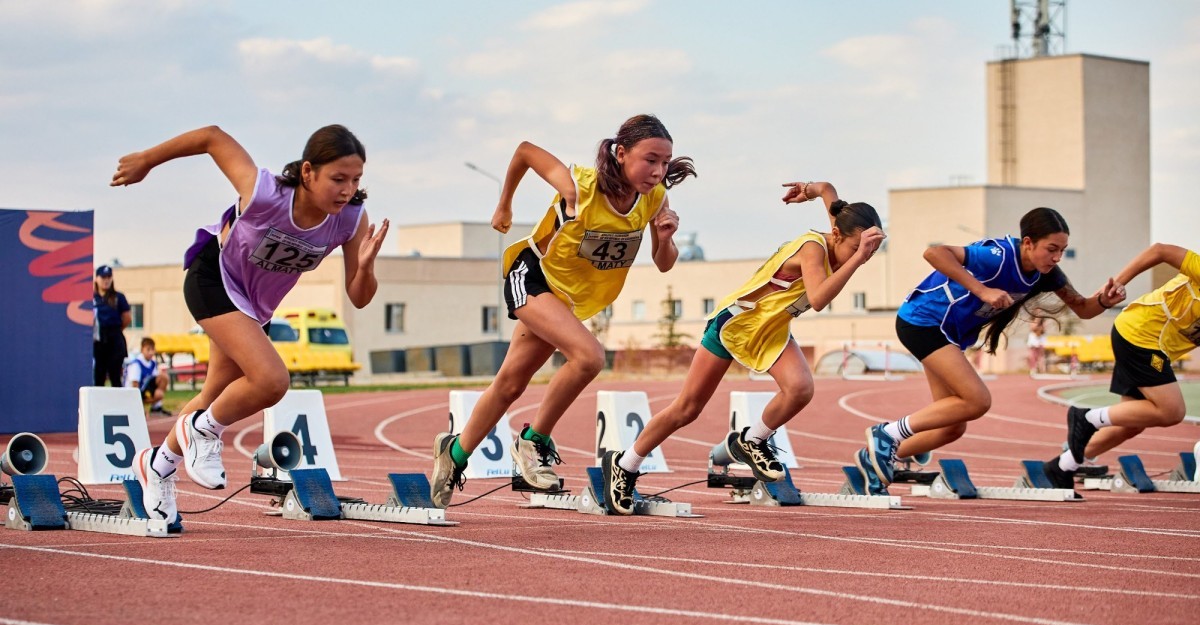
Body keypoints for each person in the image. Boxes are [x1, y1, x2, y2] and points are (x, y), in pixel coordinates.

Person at [111, 124, 390, 522]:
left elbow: (359, 297)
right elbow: (211, 137)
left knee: (214, 396)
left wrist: (365, 266)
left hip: (255, 308)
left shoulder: (349, 219)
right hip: (214, 279)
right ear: (308, 172)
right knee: (271, 381)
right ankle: (203, 431)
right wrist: (147, 160)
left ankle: (157, 466)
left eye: (356, 180)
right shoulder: (265, 192)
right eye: (338, 179)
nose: (347, 190)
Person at [429, 114, 696, 508]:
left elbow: (664, 263)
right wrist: (504, 205)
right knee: (589, 357)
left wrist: (666, 238)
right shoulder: (580, 187)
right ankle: (533, 441)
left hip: (567, 299)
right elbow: (524, 151)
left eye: (665, 162)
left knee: (510, 384)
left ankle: (452, 454)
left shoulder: (655, 199)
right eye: (650, 160)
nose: (658, 172)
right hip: (533, 277)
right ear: (621, 153)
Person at [601, 181, 886, 514]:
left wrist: (808, 190)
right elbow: (820, 298)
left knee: (800, 389)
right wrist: (858, 258)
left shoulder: (843, 228)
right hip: (736, 324)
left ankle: (751, 440)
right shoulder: (814, 249)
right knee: (687, 409)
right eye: (858, 249)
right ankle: (625, 464)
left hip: (770, 329)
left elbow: (827, 189)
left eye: (870, 251)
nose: (863, 256)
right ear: (836, 235)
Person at [855, 207, 1125, 495]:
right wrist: (982, 290)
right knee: (977, 400)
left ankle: (875, 457)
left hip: (947, 333)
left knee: (951, 428)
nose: (1058, 257)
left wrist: (1105, 301)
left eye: (1063, 250)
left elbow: (1083, 309)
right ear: (1028, 243)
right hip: (923, 321)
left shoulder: (1047, 275)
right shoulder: (998, 256)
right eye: (1052, 249)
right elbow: (934, 253)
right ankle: (887, 434)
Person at [1044, 243, 1197, 488]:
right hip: (1141, 334)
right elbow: (1159, 251)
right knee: (1172, 412)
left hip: (1153, 345)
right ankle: (1087, 418)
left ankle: (1061, 466)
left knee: (1131, 424)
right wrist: (1117, 283)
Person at [92, 265, 131, 386]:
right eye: (103, 277)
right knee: (99, 375)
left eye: (109, 277)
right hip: (98, 339)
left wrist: (117, 330)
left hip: (114, 338)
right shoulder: (92, 298)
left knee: (115, 376)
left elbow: (127, 317)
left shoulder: (118, 297)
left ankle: (118, 398)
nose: (106, 280)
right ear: (97, 278)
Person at [125, 337, 172, 416]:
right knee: (159, 394)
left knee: (164, 377)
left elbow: (156, 379)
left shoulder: (153, 363)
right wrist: (138, 405)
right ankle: (136, 407)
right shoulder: (136, 364)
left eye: (152, 349)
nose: (151, 352)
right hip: (134, 392)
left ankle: (156, 407)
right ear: (142, 349)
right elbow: (134, 385)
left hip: (145, 389)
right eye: (148, 349)